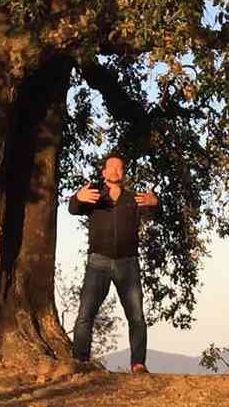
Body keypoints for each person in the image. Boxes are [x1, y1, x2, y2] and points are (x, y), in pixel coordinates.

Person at [65, 151, 157, 373]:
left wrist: (155, 203)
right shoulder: (95, 196)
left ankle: (138, 364)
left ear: (123, 173)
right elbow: (73, 208)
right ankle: (80, 362)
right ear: (104, 172)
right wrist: (78, 197)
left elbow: (154, 214)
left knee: (136, 316)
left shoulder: (133, 198)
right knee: (86, 314)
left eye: (120, 167)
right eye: (112, 167)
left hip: (128, 264)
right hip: (98, 263)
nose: (116, 170)